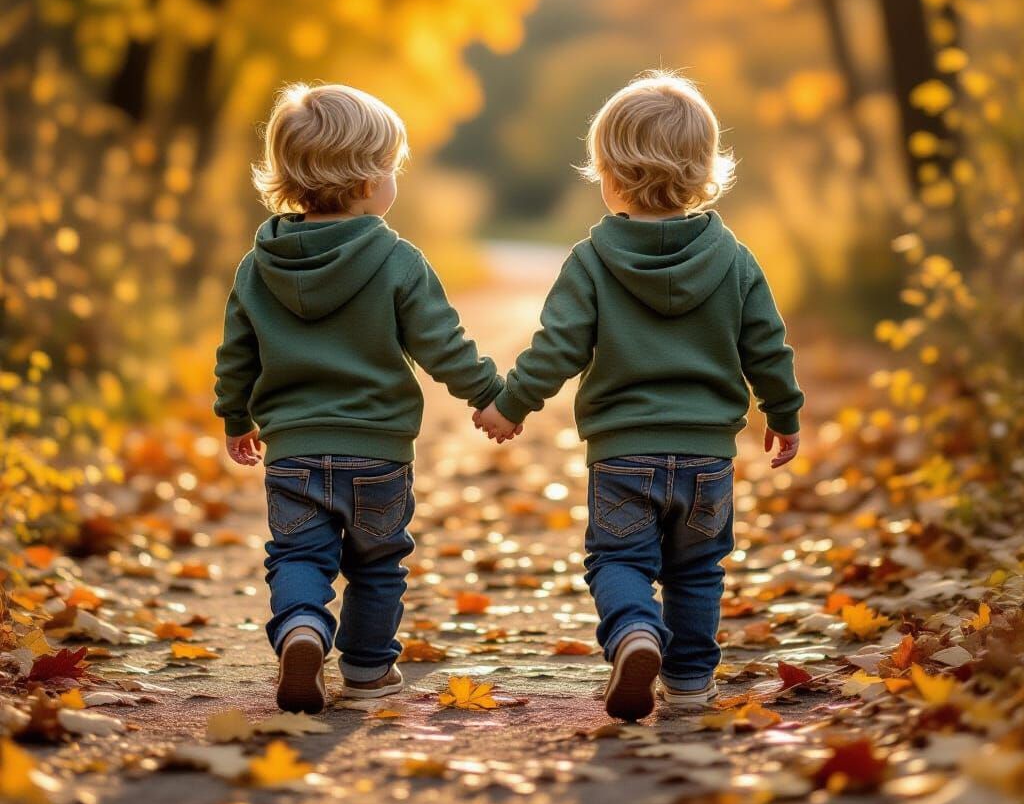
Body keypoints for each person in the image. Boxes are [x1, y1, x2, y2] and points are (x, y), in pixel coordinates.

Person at [474, 71, 803, 721]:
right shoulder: (733, 259)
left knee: (618, 557)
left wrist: (508, 404)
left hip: (623, 455)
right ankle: (688, 686)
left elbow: (558, 347)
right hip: (707, 456)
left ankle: (633, 633)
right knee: (698, 569)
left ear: (609, 172)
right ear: (705, 170)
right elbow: (765, 345)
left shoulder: (592, 258)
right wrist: (783, 412)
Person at [215, 83, 509, 712]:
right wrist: (489, 395)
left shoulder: (257, 264)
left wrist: (236, 416)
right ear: (370, 179)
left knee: (297, 553)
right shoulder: (396, 259)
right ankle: (369, 671)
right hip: (378, 454)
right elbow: (442, 342)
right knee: (377, 564)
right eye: (392, 167)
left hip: (293, 452)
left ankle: (301, 628)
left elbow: (237, 354)